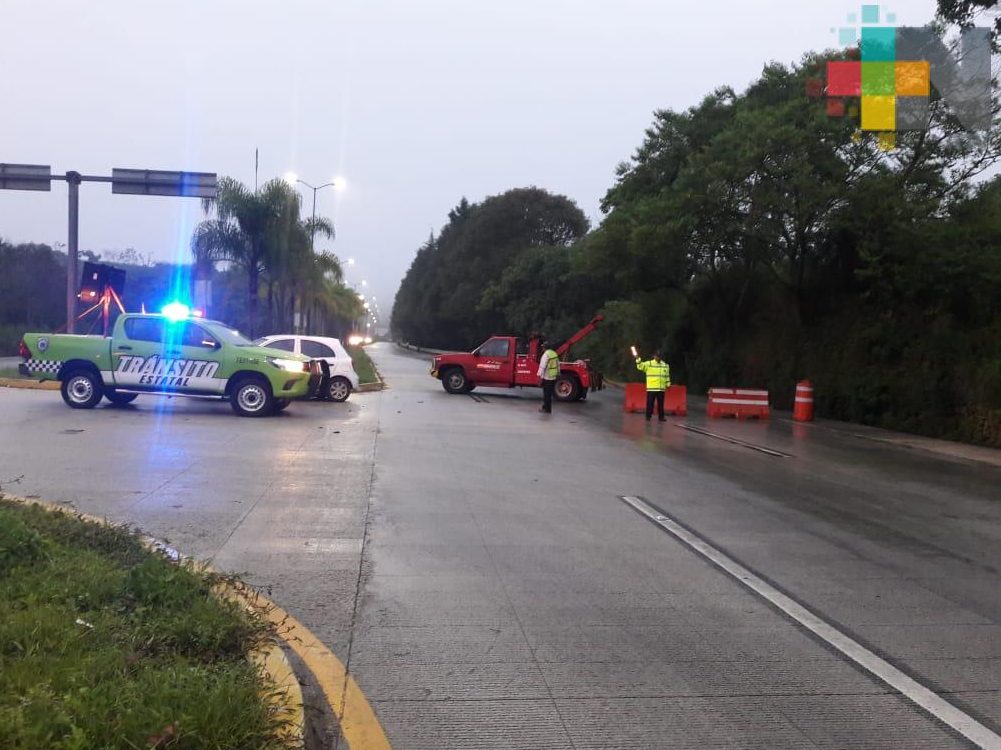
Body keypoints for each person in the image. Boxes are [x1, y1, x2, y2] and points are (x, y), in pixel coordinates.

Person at [635, 349, 671, 421]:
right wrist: (637, 359)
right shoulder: (649, 364)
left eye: (659, 356)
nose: (658, 358)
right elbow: (640, 366)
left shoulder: (665, 365)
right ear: (654, 356)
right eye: (657, 356)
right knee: (650, 403)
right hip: (652, 388)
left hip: (661, 388)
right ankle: (648, 416)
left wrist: (668, 383)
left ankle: (661, 417)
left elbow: (667, 376)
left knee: (661, 404)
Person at [537, 340, 559, 413]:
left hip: (547, 376)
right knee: (549, 394)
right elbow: (558, 365)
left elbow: (542, 366)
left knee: (546, 394)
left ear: (544, 348)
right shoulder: (554, 353)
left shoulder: (546, 354)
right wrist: (558, 373)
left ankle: (546, 409)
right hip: (553, 376)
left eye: (543, 347)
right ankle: (547, 408)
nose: (542, 348)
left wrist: (539, 376)